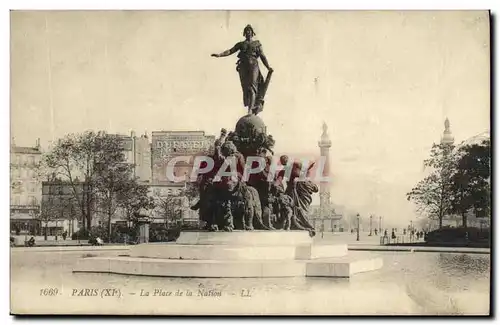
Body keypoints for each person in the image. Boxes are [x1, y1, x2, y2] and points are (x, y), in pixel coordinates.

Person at [211, 24, 273, 115]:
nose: (248, 32)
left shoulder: (257, 44)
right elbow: (230, 51)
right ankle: (250, 107)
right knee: (246, 89)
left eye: (249, 30)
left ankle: (250, 110)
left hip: (253, 66)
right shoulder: (241, 44)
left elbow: (262, 56)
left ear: (252, 32)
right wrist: (220, 55)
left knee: (252, 87)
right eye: (246, 31)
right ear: (244, 33)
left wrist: (268, 67)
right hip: (243, 67)